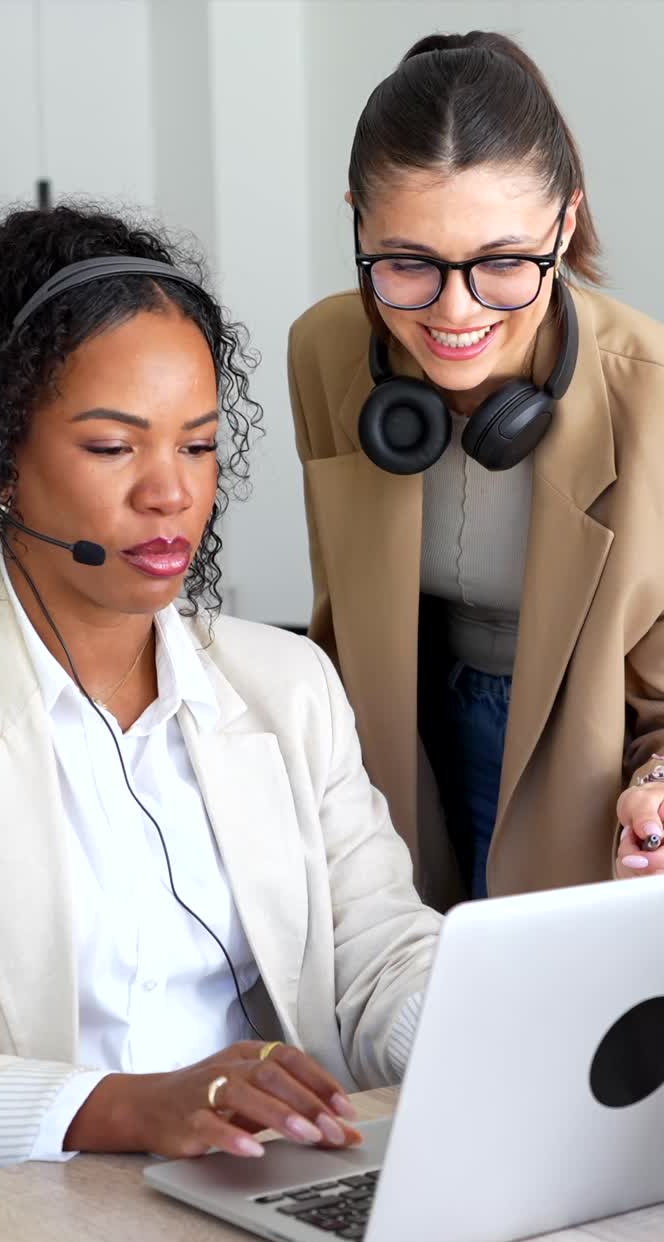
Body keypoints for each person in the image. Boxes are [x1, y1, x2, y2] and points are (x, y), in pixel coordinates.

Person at [0, 205, 440, 1176]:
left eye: (200, 443)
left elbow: (379, 955)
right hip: (34, 1223)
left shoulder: (285, 686)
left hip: (271, 1188)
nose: (170, 491)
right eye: (113, 446)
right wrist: (130, 1105)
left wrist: (488, 1025)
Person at [288, 30, 664, 909]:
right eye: (408, 263)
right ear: (357, 221)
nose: (455, 313)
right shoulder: (326, 351)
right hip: (393, 744)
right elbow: (341, 624)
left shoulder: (652, 397)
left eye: (503, 263)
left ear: (564, 224)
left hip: (584, 755)